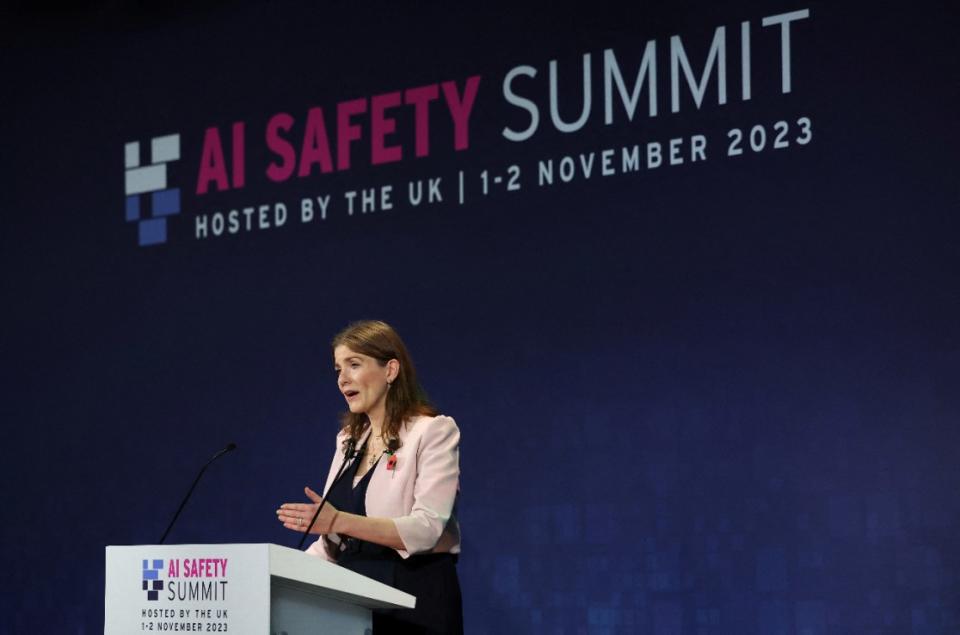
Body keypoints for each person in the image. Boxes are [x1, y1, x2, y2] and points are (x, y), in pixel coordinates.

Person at [277, 320, 463, 634]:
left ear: (390, 370)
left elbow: (427, 528)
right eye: (337, 369)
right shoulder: (349, 439)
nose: (342, 378)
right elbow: (335, 542)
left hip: (415, 599)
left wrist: (337, 521)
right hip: (353, 602)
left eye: (354, 365)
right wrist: (278, 571)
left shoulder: (432, 431)